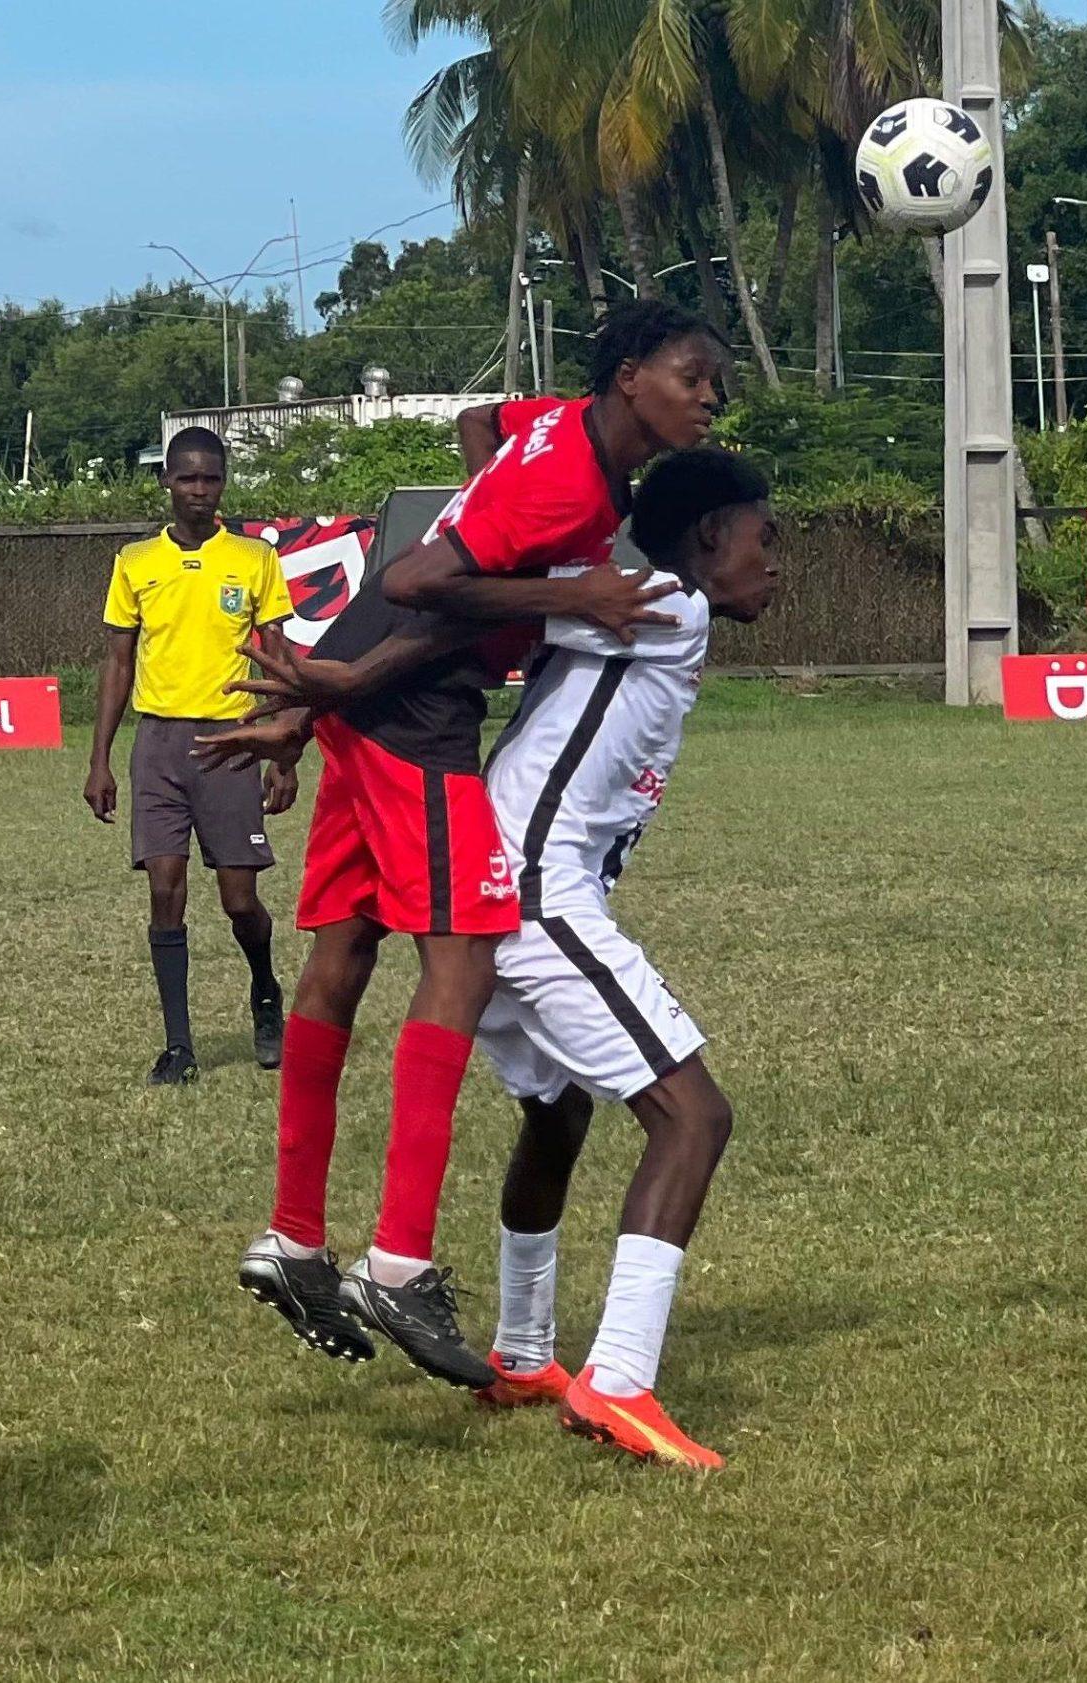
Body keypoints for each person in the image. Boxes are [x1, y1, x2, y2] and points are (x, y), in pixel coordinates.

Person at [208, 300, 726, 1390]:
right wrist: (563, 590)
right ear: (630, 376)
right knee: (464, 954)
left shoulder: (562, 428)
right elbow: (415, 583)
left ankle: (294, 1239)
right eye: (692, 375)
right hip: (415, 708)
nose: (710, 395)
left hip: (365, 695)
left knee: (343, 956)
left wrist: (326, 697)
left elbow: (485, 424)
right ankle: (396, 1262)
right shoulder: (575, 482)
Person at [466, 448, 778, 1470]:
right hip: (531, 892)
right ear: (705, 540)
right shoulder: (659, 602)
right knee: (694, 1116)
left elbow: (497, 599)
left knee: (555, 1112)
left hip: (494, 890)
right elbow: (459, 586)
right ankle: (619, 1381)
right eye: (761, 538)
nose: (773, 563)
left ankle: (521, 1353)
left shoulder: (625, 603)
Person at [86, 427, 299, 1085]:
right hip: (159, 743)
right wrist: (100, 759)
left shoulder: (254, 559)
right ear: (166, 482)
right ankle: (179, 1048)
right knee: (164, 886)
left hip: (232, 740)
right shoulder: (135, 561)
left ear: (222, 483)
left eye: (211, 478)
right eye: (187, 478)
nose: (199, 490)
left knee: (239, 900)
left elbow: (279, 659)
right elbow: (119, 662)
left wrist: (283, 748)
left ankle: (265, 986)